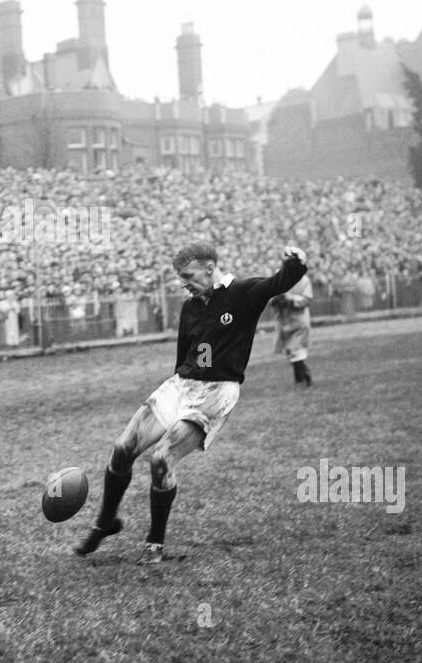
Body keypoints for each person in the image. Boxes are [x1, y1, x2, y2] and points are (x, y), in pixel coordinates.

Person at [75, 241, 308, 564]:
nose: (182, 282)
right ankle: (106, 522)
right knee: (123, 446)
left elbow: (278, 282)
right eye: (180, 276)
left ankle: (154, 545)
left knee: (161, 459)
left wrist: (294, 263)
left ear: (210, 268)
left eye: (187, 275)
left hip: (216, 393)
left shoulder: (242, 293)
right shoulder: (190, 306)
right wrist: (172, 396)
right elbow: (183, 356)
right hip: (182, 385)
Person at [269, 271, 313, 386]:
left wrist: (290, 299)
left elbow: (307, 299)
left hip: (298, 321)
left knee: (294, 349)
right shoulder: (278, 278)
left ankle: (302, 378)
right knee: (291, 351)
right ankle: (302, 376)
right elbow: (268, 296)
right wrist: (275, 300)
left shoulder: (303, 280)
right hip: (283, 322)